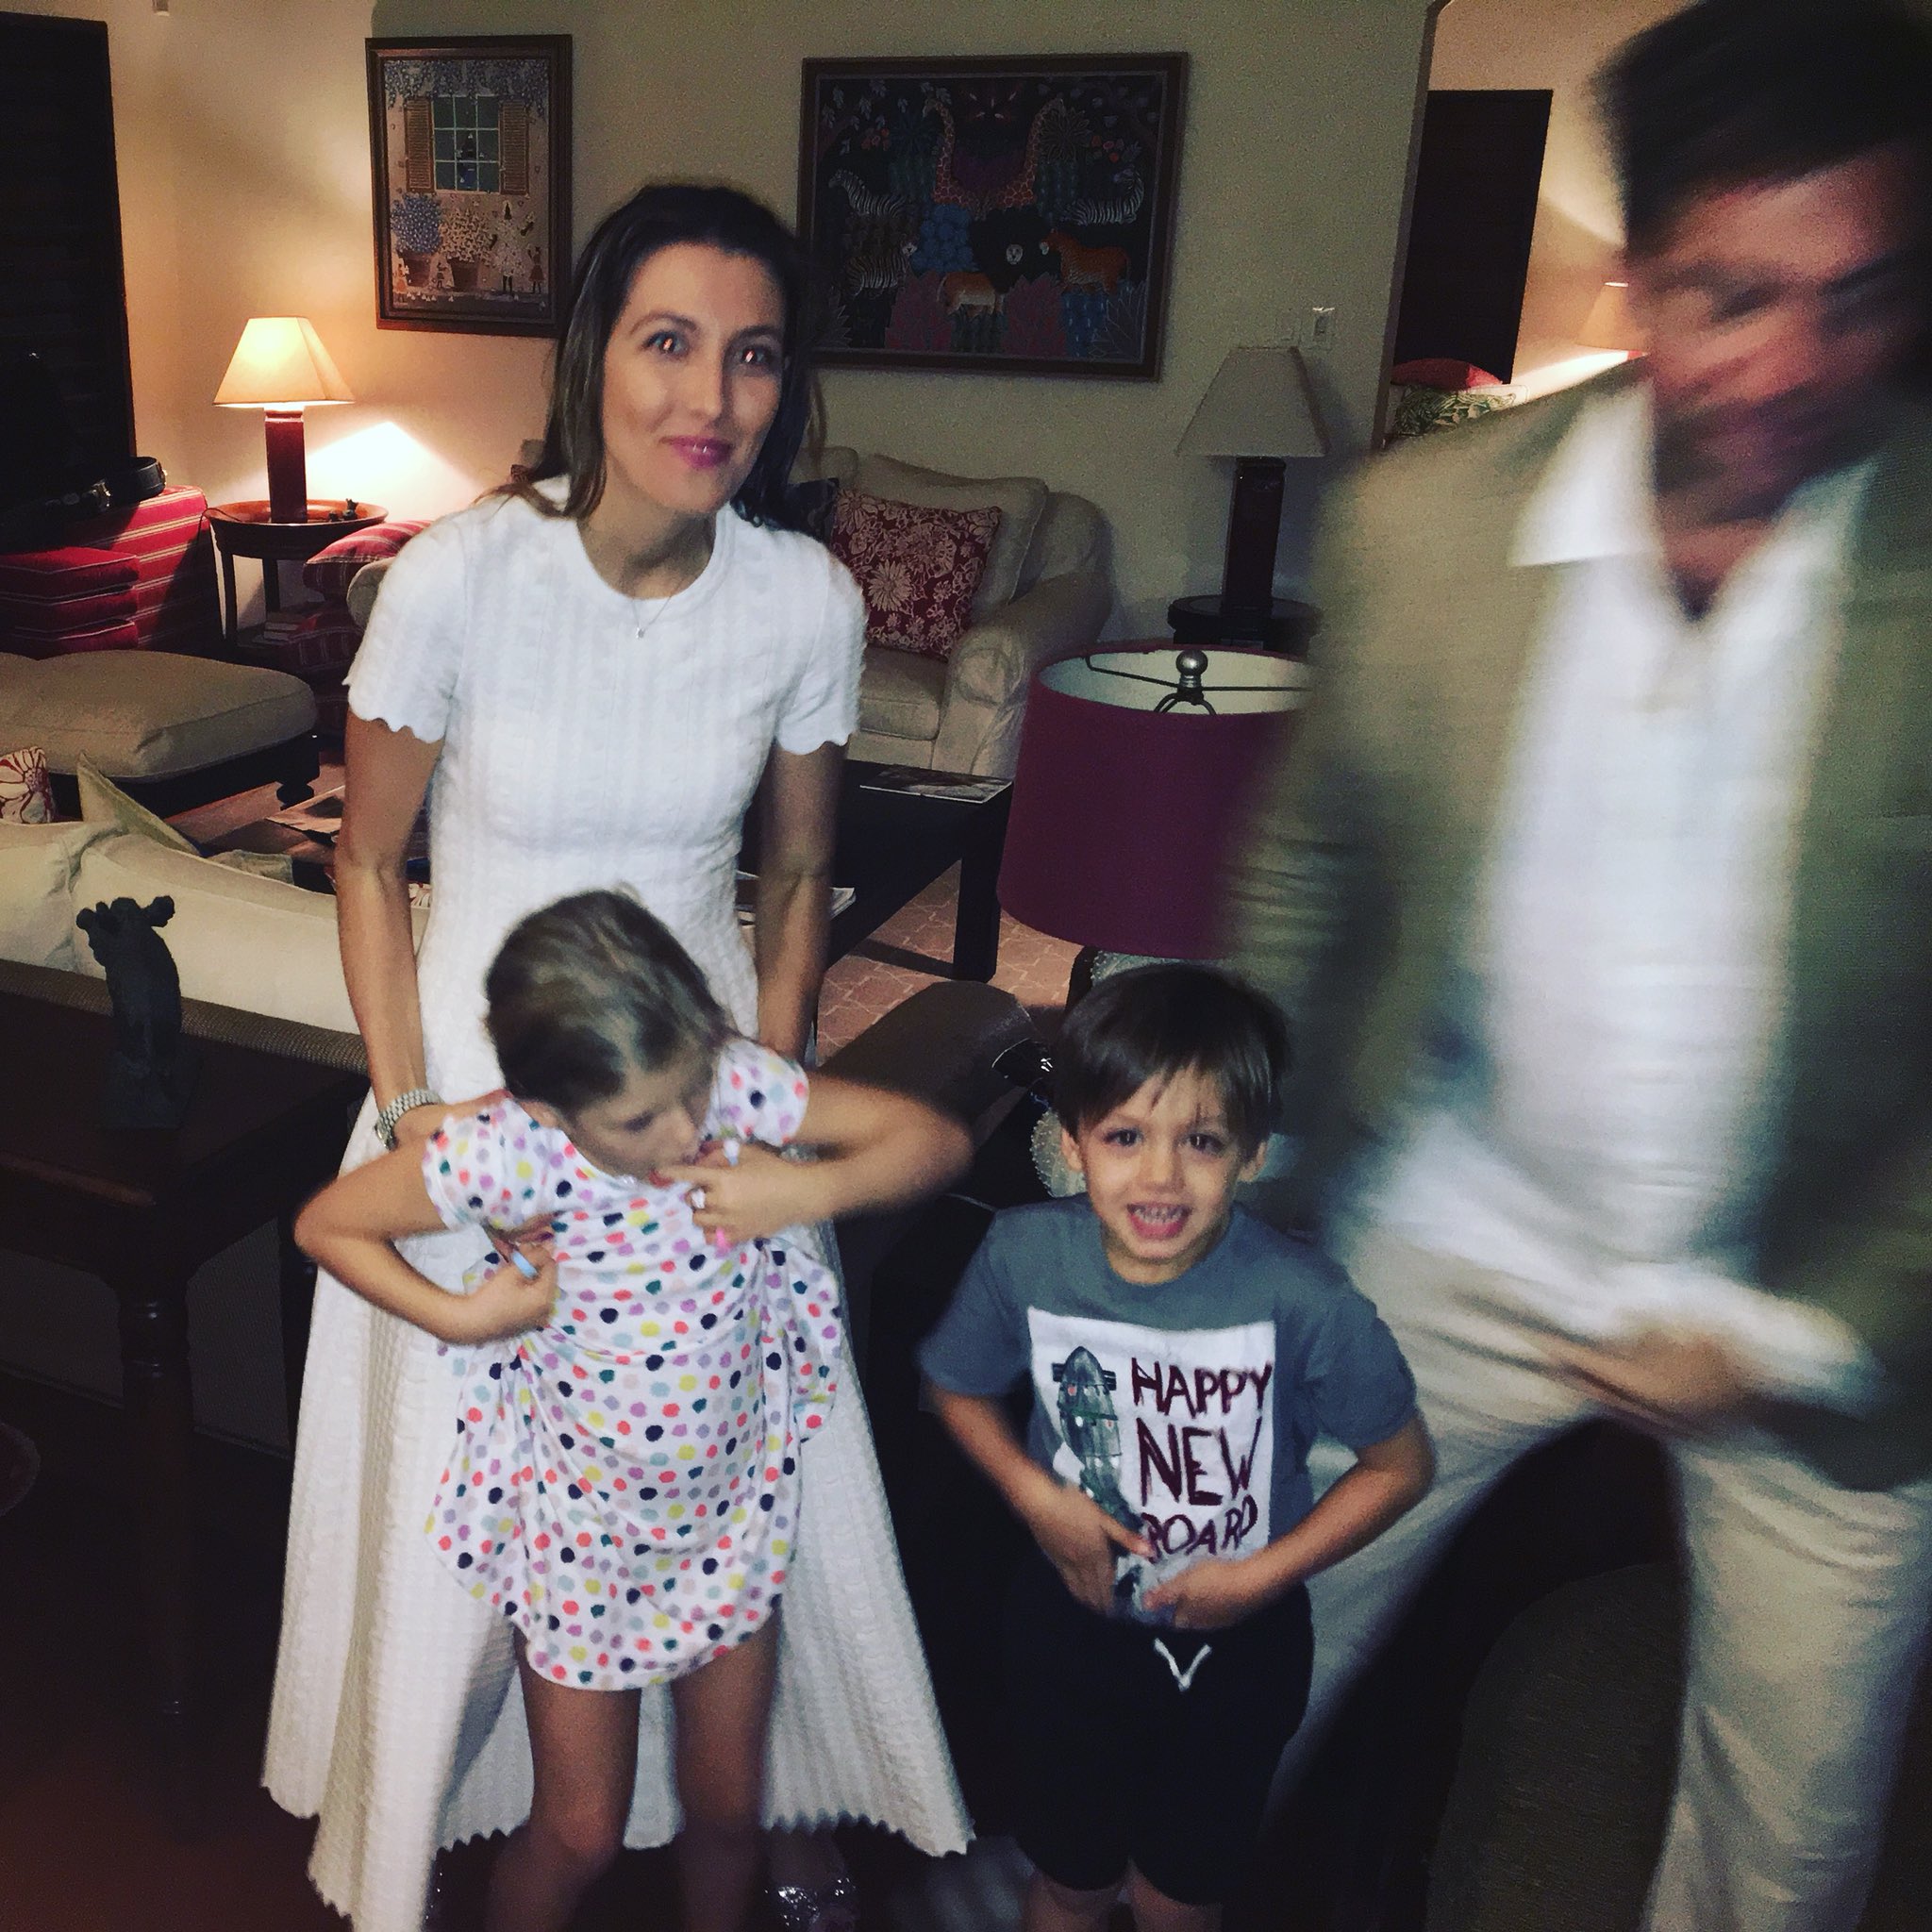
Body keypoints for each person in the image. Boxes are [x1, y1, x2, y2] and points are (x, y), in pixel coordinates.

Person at [1229, 3, 1932, 1924]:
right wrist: (1235, 1163)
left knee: (1783, 1853)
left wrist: (1802, 1331)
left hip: (1819, 1289)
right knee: (1221, 1651)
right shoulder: (1420, 531)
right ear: (1635, 279)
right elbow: (1310, 867)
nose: (1791, 363)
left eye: (1857, 298)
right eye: (1730, 295)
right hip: (1455, 1216)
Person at [263, 183, 973, 1932]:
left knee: (740, 1478)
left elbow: (797, 875)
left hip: (697, 1112)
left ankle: (750, 1810)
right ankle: (445, 1828)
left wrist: (766, 1130)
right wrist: (419, 1119)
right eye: (669, 342)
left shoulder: (802, 599)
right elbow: (368, 861)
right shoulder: (457, 577)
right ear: (593, 357)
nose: (711, 399)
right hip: (476, 1115)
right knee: (467, 1539)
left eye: (754, 356)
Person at [295, 890, 972, 1932]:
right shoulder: (512, 1150)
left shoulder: (726, 1084)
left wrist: (803, 1193)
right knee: (578, 1833)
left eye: (693, 1090)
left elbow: (933, 1139)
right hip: (582, 1546)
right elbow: (329, 1223)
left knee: (730, 1811)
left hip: (728, 1527)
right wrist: (463, 1315)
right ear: (548, 1107)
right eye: (640, 1120)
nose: (686, 1131)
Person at [919, 965, 1432, 1932]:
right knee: (1070, 1880)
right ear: (1072, 1142)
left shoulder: (1310, 1302)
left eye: (1200, 1140)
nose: (1160, 1176)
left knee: (1176, 1897)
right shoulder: (1022, 1254)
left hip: (1239, 1651)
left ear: (1253, 1152)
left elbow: (1398, 1465)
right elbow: (956, 1385)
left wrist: (1261, 1576)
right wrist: (1034, 1495)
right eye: (1125, 1136)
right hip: (1068, 1631)